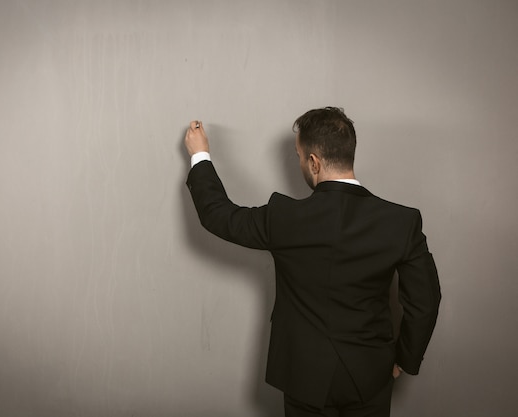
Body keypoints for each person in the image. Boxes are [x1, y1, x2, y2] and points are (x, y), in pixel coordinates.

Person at [183, 107, 441, 417]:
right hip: (370, 374)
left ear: (314, 162)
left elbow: (218, 216)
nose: (300, 163)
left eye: (298, 156)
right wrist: (405, 359)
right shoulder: (401, 222)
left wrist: (201, 155)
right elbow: (426, 301)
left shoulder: (284, 217)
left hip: (304, 376)